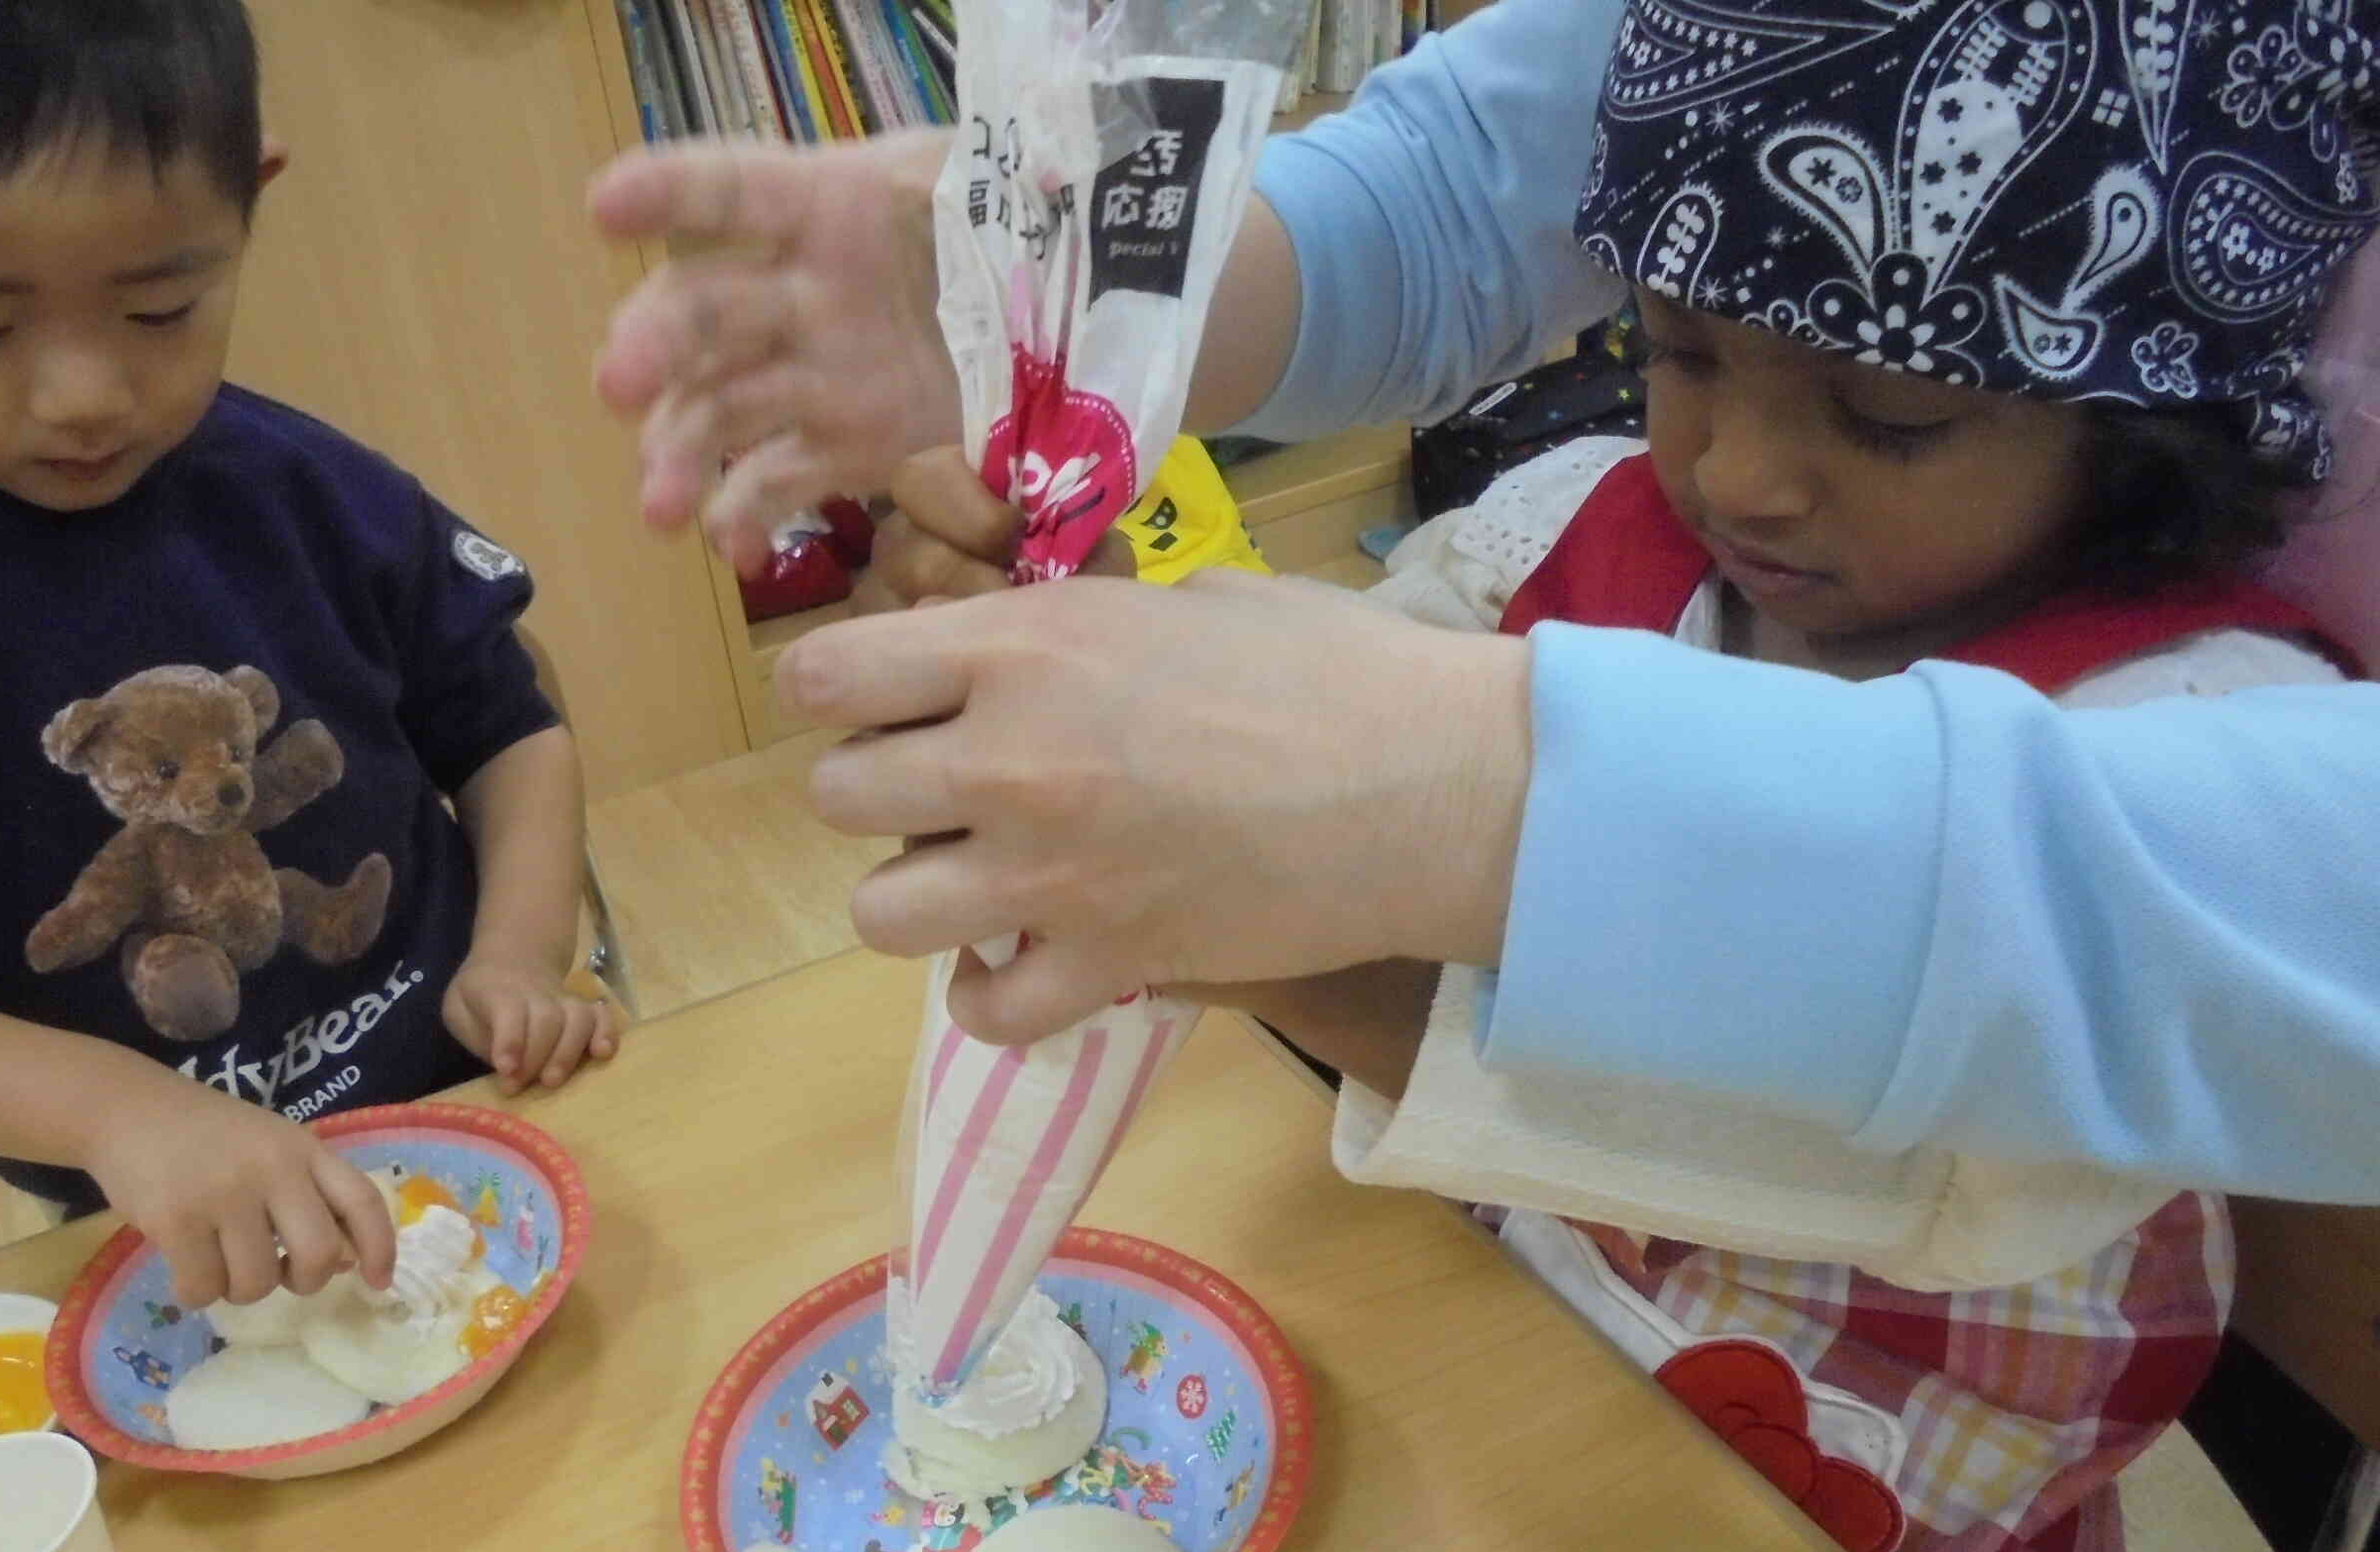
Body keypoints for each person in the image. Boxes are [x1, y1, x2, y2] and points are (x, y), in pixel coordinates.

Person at [587, 0, 2380, 1207]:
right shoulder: (1569, 532)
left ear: (2145, 442)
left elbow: (1916, 1164)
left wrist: (1468, 809)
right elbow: (1457, 188)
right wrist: (1083, 330)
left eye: (1893, 418)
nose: (1740, 477)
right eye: (1670, 353)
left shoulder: (2186, 719)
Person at [0, 0, 621, 1309]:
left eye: (161, 305)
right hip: (164, 1226)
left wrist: (519, 954)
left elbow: (508, 724)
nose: (85, 393)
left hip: (475, 1111)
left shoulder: (297, 484)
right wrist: (116, 1112)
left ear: (250, 197)